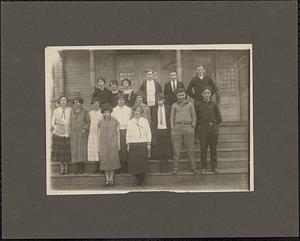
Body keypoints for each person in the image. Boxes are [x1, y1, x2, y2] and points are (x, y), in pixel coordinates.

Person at [170, 88, 199, 175]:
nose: (181, 97)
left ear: (185, 95)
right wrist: (172, 127)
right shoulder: (174, 105)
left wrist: (193, 125)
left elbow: (194, 116)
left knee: (190, 149)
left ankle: (193, 168)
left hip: (188, 127)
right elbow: (171, 117)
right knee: (176, 149)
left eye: (182, 95)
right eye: (179, 95)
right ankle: (175, 168)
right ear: (177, 96)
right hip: (177, 128)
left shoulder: (190, 104)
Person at [196, 86, 222, 174]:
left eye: (208, 93)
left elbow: (219, 118)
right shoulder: (198, 105)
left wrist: (214, 125)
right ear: (202, 94)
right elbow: (196, 117)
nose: (206, 95)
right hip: (203, 129)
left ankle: (214, 167)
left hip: (213, 128)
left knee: (213, 149)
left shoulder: (214, 104)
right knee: (203, 149)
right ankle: (203, 167)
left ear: (210, 94)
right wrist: (201, 125)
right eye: (205, 93)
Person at [126, 104, 152, 186]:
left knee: (142, 163)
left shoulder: (144, 121)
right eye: (135, 111)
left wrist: (148, 143)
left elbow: (148, 132)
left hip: (142, 144)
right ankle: (137, 179)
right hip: (133, 144)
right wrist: (128, 144)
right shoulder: (130, 122)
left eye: (138, 111)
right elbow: (128, 134)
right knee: (135, 163)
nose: (137, 112)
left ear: (141, 112)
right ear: (133, 112)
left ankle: (142, 179)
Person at [98, 103, 121, 186]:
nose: (106, 114)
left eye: (107, 112)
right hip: (103, 144)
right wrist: (98, 146)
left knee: (112, 161)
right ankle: (107, 179)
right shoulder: (100, 122)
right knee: (105, 161)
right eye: (104, 112)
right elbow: (99, 134)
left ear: (110, 112)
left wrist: (118, 144)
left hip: (113, 144)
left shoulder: (115, 120)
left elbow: (118, 132)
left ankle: (111, 179)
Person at [51, 96, 71, 175]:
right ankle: (62, 168)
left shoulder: (70, 110)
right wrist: (57, 128)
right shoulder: (56, 110)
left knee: (66, 152)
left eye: (64, 100)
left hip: (67, 133)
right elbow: (52, 122)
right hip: (58, 133)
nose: (63, 101)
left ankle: (66, 167)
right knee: (60, 153)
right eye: (61, 100)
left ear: (67, 101)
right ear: (59, 102)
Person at [152, 93, 172, 173]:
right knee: (159, 147)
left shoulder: (168, 108)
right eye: (158, 100)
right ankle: (161, 164)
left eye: (161, 100)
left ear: (164, 100)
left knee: (166, 146)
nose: (160, 102)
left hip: (166, 129)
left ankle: (166, 163)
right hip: (158, 129)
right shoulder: (154, 109)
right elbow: (153, 121)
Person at [112, 93, 132, 173]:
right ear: (117, 101)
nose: (121, 101)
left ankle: (126, 166)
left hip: (127, 130)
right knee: (119, 148)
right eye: (119, 100)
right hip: (117, 130)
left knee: (126, 148)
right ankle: (118, 167)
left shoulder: (128, 109)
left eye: (123, 100)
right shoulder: (114, 110)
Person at [70, 96, 90, 174]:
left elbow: (88, 121)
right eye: (75, 102)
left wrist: (85, 128)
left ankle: (82, 167)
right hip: (74, 134)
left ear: (81, 103)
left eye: (77, 102)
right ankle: (77, 168)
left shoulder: (85, 111)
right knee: (75, 150)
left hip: (81, 133)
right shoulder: (72, 111)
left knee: (81, 150)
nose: (76, 104)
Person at [87, 98, 103, 172]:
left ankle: (101, 166)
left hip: (99, 133)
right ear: (92, 104)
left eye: (97, 102)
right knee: (94, 149)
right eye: (95, 102)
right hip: (92, 133)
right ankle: (97, 166)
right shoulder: (90, 113)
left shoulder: (102, 112)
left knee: (99, 149)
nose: (96, 104)